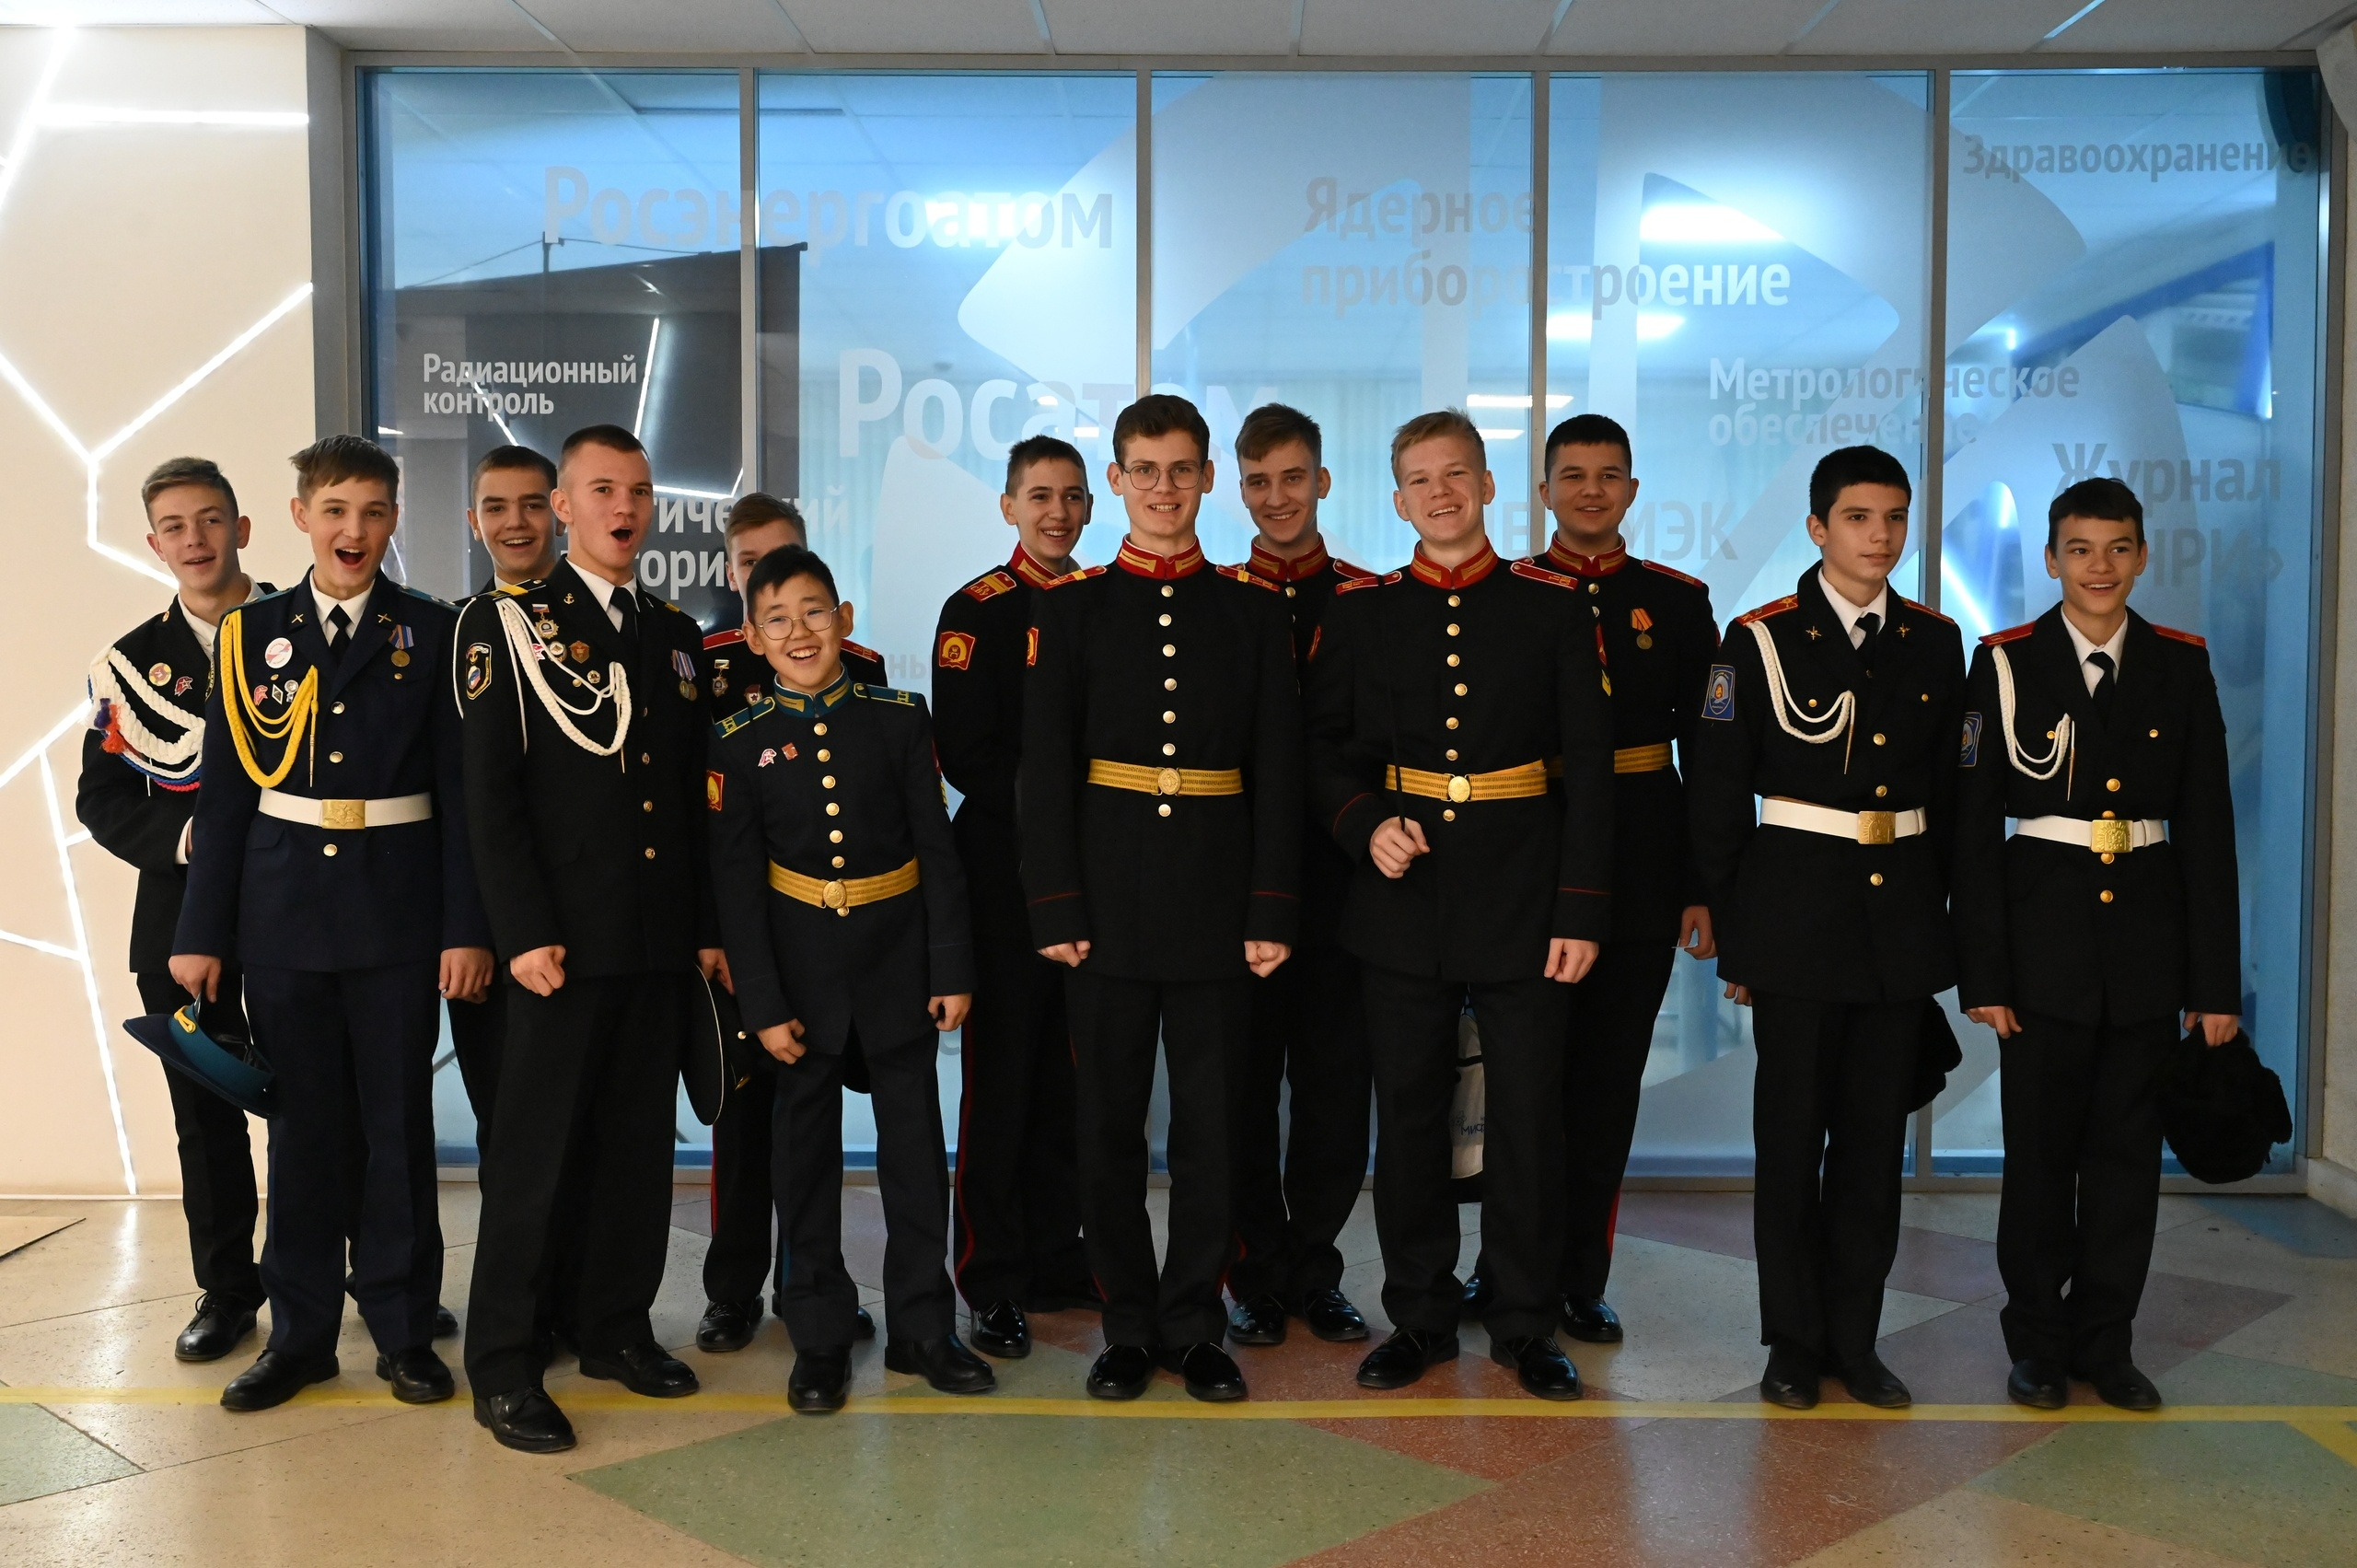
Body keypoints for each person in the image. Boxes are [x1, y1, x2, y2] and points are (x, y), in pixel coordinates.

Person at [170, 436, 491, 1411]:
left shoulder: (431, 630)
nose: (355, 530)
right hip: (284, 920)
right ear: (302, 515)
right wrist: (200, 930)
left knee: (397, 1129)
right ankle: (301, 1335)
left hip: (398, 917)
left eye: (374, 511)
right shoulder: (249, 634)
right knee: (301, 1134)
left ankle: (402, 1329)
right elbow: (227, 794)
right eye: (337, 510)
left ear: (393, 520)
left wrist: (464, 927)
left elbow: (461, 799)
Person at [1305, 409, 1613, 1401]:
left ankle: (1524, 1321)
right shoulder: (1362, 611)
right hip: (1404, 898)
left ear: (1486, 486)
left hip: (1526, 896)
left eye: (1456, 475)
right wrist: (1364, 822)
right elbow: (1323, 750)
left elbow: (1592, 769)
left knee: (1528, 1118)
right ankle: (1421, 1317)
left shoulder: (1552, 606)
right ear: (1398, 501)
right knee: (1407, 1118)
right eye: (1420, 480)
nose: (1439, 493)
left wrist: (1579, 908)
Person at [1021, 393, 1301, 1403]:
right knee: (1107, 1128)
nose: (1164, 487)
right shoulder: (1071, 609)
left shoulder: (1252, 612)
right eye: (1144, 469)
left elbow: (1278, 770)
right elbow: (1044, 771)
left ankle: (1194, 1322)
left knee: (1213, 1131)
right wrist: (1056, 904)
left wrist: (1272, 905)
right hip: (1105, 906)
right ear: (1118, 480)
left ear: (1208, 478)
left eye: (1182, 468)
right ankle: (1128, 1324)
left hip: (1219, 909)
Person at [458, 424, 722, 1454]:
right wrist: (521, 931)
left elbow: (687, 804)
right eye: (603, 489)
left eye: (640, 491)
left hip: (651, 943)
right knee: (533, 1161)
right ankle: (503, 1362)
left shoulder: (674, 634)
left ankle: (614, 1327)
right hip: (557, 950)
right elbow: (491, 798)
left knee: (633, 1154)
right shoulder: (507, 624)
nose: (625, 507)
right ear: (563, 507)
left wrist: (700, 932)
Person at [1687, 445, 1965, 1412]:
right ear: (1817, 528)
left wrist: (1946, 928)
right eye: (1857, 517)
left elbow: (1953, 799)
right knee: (1790, 1139)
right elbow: (1718, 796)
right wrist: (1737, 934)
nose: (1879, 535)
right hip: (1794, 921)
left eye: (1893, 517)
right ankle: (1793, 1342)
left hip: (1897, 927)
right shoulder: (1760, 639)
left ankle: (1856, 1337)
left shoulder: (1935, 640)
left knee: (1872, 1148)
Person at [1954, 477, 2240, 1413]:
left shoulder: (2179, 664)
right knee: (2039, 1161)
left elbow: (2208, 830)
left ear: (2142, 556)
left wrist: (2214, 984)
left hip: (2148, 951)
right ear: (2050, 559)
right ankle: (2037, 1344)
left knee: (2127, 1163)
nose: (2099, 567)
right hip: (2042, 951)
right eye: (2079, 549)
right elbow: (1972, 833)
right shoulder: (2004, 662)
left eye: (2117, 547)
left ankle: (2107, 1343)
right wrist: (1984, 971)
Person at [707, 543, 993, 1412]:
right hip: (799, 982)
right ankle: (819, 1335)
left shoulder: (899, 719)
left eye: (814, 611)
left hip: (897, 967)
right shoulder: (740, 741)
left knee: (915, 1156)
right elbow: (738, 890)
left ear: (845, 621)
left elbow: (937, 852)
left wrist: (951, 965)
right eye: (777, 619)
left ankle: (923, 1328)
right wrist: (762, 1004)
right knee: (804, 1162)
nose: (799, 631)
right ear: (753, 638)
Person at [1463, 414, 1719, 1343]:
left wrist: (1701, 884)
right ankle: (1502, 1270)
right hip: (1530, 859)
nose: (1591, 491)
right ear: (1543, 491)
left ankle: (1578, 1276)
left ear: (1632, 491)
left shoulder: (1676, 603)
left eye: (1609, 475)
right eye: (1572, 475)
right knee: (1520, 1086)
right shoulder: (1507, 594)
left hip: (1640, 864)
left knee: (1606, 1086)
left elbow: (1708, 760)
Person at [77, 457, 272, 1364]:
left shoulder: (303, 629)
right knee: (206, 1120)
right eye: (176, 526)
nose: (196, 539)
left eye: (211, 519)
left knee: (329, 1105)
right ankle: (228, 1291)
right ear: (154, 544)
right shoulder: (127, 666)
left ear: (243, 527)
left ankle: (359, 1279)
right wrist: (189, 836)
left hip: (308, 913)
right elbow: (102, 798)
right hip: (180, 921)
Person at [694, 491, 884, 1355]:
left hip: (827, 941)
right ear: (733, 574)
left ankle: (813, 1282)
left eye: (784, 559)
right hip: (741, 941)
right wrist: (713, 935)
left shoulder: (860, 667)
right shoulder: (702, 669)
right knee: (741, 1123)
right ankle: (731, 1291)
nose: (768, 574)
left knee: (814, 1125)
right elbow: (699, 823)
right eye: (750, 563)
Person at [931, 436, 1098, 1361]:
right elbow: (968, 755)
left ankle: (1057, 1254)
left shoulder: (1101, 600)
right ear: (1008, 507)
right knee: (1002, 1081)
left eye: (1072, 496)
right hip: (1004, 876)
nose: (1057, 512)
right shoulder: (977, 610)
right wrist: (1064, 813)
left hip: (1096, 878)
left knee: (1071, 1079)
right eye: (1039, 496)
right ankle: (991, 1277)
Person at [1224, 403, 1375, 1350]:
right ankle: (1253, 1274)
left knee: (1333, 1089)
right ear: (1239, 489)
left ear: (1321, 480)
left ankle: (1316, 1269)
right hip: (1237, 885)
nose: (1276, 497)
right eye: (1258, 481)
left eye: (1292, 477)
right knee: (1240, 1090)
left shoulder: (1367, 598)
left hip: (1345, 884)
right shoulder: (1217, 597)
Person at [447, 444, 563, 1130]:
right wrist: (467, 929)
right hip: (488, 935)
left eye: (532, 505)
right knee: (505, 1127)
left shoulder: (605, 627)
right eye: (495, 507)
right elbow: (454, 799)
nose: (515, 522)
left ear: (559, 512)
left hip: (586, 926)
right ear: (473, 521)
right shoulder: (453, 631)